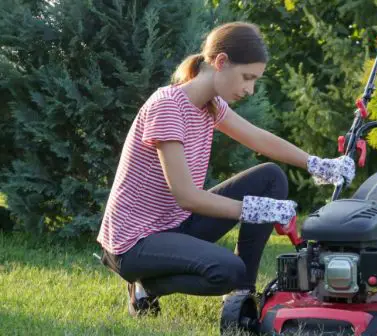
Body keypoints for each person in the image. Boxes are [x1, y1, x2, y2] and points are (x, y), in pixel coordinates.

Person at [96, 21, 355, 317]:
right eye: (247, 77)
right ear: (221, 62)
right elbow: (187, 197)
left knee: (270, 177)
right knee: (227, 269)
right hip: (134, 242)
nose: (251, 89)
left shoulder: (211, 105)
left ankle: (242, 296)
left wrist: (317, 164)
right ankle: (146, 286)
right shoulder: (167, 106)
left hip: (175, 225)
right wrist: (255, 210)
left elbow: (257, 137)